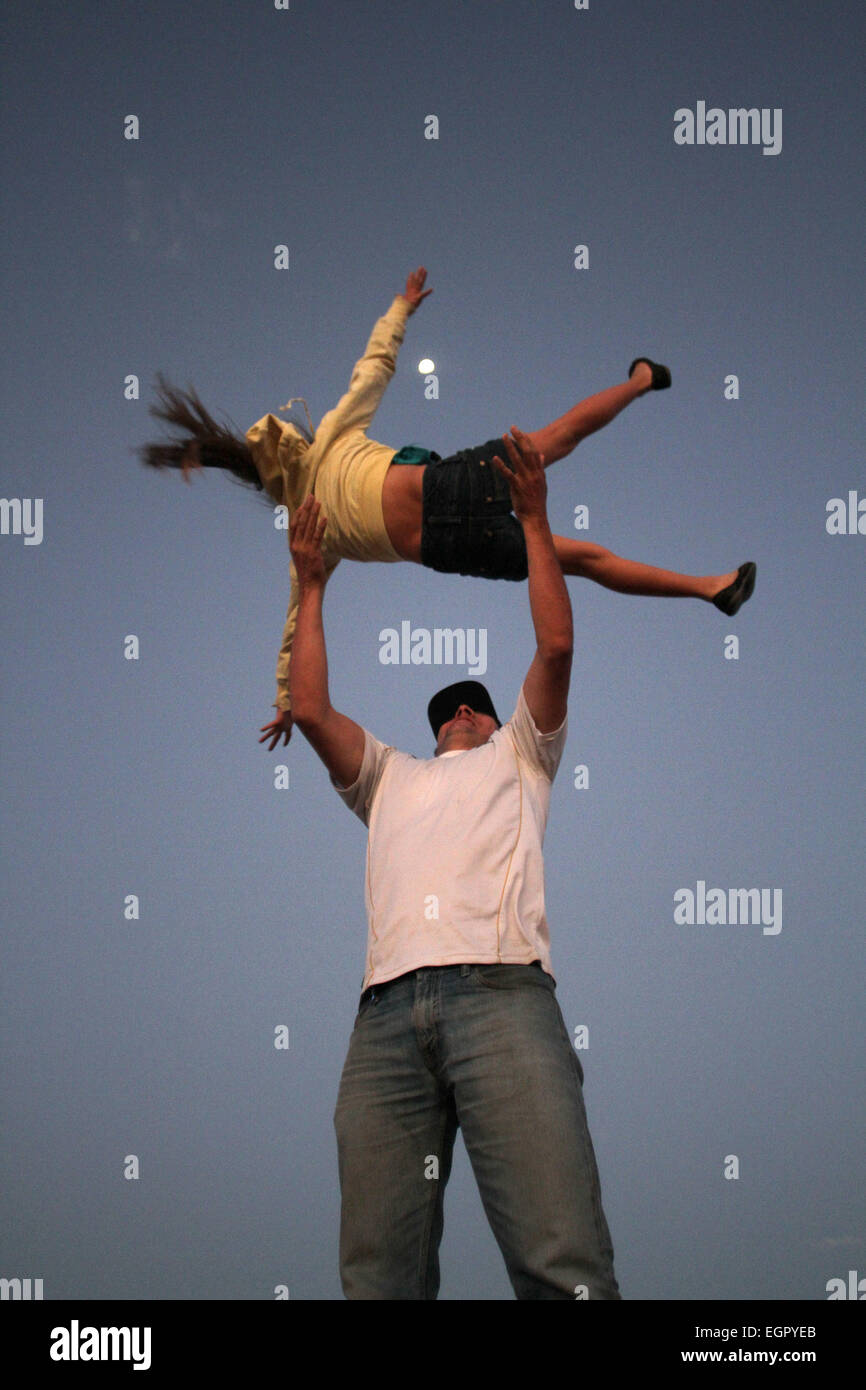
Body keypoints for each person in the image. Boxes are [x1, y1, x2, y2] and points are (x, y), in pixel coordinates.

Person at [136, 267, 755, 749]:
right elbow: (373, 367)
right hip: (444, 486)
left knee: (585, 560)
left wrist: (284, 698)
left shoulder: (305, 531)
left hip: (449, 551)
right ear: (291, 440)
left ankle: (710, 587)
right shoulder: (329, 440)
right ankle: (645, 382)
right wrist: (401, 307)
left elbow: (296, 621)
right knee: (559, 438)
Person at [287, 426, 620, 1299]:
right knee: (378, 1279)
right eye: (450, 711)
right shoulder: (389, 777)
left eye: (475, 705)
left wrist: (536, 522)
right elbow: (312, 708)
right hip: (384, 1022)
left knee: (562, 1263)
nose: (465, 714)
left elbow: (554, 649)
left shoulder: (522, 755)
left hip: (500, 996)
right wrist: (311, 584)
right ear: (435, 730)